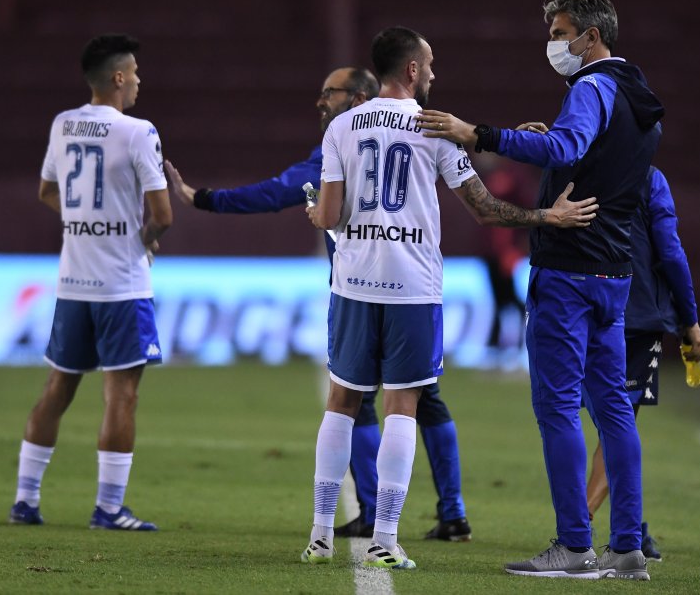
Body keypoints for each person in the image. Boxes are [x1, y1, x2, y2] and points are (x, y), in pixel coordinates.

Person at [299, 25, 598, 570]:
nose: (434, 73)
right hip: (412, 287)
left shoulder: (340, 127)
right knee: (401, 407)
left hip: (353, 283)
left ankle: (319, 535)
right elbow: (484, 208)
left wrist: (318, 214)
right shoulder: (434, 127)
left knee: (341, 402)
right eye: (430, 63)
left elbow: (332, 214)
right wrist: (546, 216)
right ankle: (385, 538)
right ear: (412, 69)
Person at [164, 66, 474, 542]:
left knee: (355, 398)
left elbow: (275, 192)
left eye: (330, 92)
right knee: (422, 398)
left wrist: (205, 198)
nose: (320, 101)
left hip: (360, 292)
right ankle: (452, 512)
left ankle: (371, 510)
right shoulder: (417, 132)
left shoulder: (342, 141)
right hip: (413, 288)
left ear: (359, 98)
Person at [418, 0, 664, 580]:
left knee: (557, 408)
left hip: (570, 270)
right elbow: (593, 156)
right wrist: (551, 145)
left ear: (591, 36)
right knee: (614, 409)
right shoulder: (636, 90)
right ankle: (627, 547)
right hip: (615, 272)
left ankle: (574, 546)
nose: (552, 43)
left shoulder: (590, 87)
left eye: (559, 32)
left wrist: (477, 133)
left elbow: (568, 146)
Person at [8, 34, 172, 531]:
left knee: (58, 387)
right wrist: (143, 240)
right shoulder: (139, 132)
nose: (140, 80)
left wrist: (84, 222)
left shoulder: (63, 123)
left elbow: (46, 191)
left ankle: (25, 501)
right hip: (121, 285)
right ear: (118, 77)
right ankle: (109, 508)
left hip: (73, 282)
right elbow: (163, 215)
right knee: (122, 394)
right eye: (135, 72)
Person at [582, 165, 700, 561]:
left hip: (582, 310)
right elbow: (670, 251)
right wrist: (689, 319)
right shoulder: (650, 179)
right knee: (618, 426)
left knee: (595, 421)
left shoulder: (580, 168)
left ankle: (628, 526)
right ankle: (581, 527)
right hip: (635, 317)